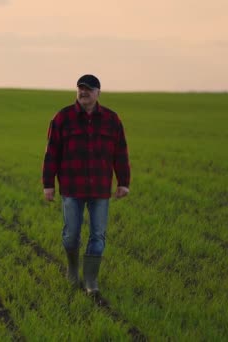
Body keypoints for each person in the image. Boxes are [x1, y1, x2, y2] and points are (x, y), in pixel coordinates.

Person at [42, 74, 130, 295]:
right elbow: (51, 153)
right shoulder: (62, 118)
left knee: (98, 236)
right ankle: (73, 269)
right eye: (80, 88)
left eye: (88, 89)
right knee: (71, 234)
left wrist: (123, 182)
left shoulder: (112, 120)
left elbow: (120, 153)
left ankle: (91, 281)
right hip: (72, 188)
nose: (83, 92)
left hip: (100, 188)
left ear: (98, 93)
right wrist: (48, 184)